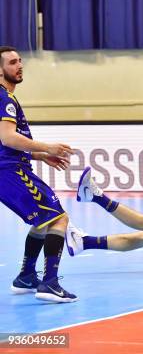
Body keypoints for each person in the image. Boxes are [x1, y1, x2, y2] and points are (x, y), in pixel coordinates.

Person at [0, 46, 77, 303]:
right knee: (59, 219)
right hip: (10, 172)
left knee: (41, 222)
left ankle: (26, 277)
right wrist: (47, 147)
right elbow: (8, 139)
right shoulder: (5, 100)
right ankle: (50, 283)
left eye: (20, 61)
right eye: (12, 62)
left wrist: (39, 156)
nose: (19, 65)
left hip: (10, 170)